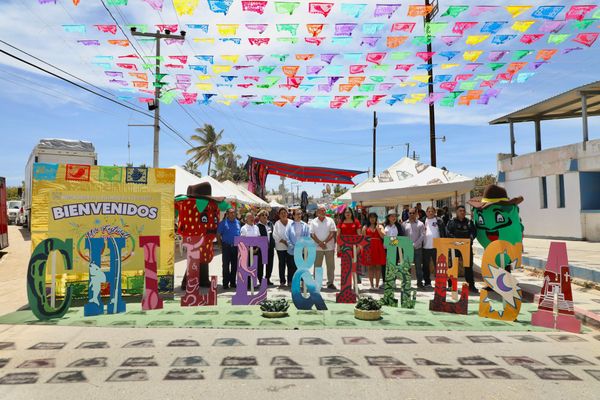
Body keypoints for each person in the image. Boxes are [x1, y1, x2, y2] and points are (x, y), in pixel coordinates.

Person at [446, 205, 478, 292]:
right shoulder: (451, 222)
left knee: (468, 266)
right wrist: (456, 241)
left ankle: (471, 285)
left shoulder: (469, 222)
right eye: (460, 211)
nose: (462, 212)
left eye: (463, 211)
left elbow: (473, 233)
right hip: (454, 247)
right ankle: (451, 285)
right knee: (452, 266)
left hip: (466, 247)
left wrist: (469, 239)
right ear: (456, 212)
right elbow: (448, 232)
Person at [310, 205, 338, 290]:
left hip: (329, 247)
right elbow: (312, 234)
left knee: (330, 266)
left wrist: (325, 242)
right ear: (317, 212)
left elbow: (332, 233)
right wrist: (319, 243)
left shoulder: (330, 220)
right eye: (321, 210)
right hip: (317, 247)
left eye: (324, 210)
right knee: (318, 266)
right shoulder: (313, 221)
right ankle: (317, 283)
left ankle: (330, 283)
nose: (324, 212)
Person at [217, 208, 241, 290]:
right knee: (226, 266)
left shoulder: (238, 223)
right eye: (231, 213)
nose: (233, 214)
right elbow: (218, 234)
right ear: (227, 214)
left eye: (234, 213)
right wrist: (220, 244)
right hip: (226, 246)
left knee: (235, 266)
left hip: (236, 247)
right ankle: (225, 283)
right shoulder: (223, 223)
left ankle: (233, 283)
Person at [422, 206, 446, 288]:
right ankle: (427, 282)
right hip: (425, 247)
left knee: (438, 266)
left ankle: (439, 282)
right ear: (426, 212)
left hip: (437, 247)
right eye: (429, 211)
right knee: (425, 266)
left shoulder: (439, 220)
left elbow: (443, 233)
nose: (430, 213)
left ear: (435, 212)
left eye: (432, 211)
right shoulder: (422, 221)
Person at [402, 208, 426, 288]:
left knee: (418, 267)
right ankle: (406, 283)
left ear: (416, 214)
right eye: (410, 213)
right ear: (408, 214)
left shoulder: (420, 224)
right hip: (407, 249)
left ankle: (420, 283)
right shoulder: (404, 224)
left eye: (413, 213)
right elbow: (403, 236)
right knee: (407, 267)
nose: (411, 214)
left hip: (417, 249)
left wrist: (414, 245)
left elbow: (422, 236)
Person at [361, 212, 386, 289]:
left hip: (378, 248)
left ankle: (377, 285)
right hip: (369, 248)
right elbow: (363, 239)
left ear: (376, 218)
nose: (372, 219)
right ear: (368, 218)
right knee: (370, 267)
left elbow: (384, 237)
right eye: (371, 217)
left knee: (378, 267)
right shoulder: (365, 227)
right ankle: (371, 285)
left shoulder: (380, 226)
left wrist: (378, 229)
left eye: (374, 217)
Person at [286, 208, 310, 286]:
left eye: (300, 214)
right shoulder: (289, 225)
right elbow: (287, 237)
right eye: (297, 214)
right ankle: (291, 282)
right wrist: (292, 246)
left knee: (302, 267)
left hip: (302, 250)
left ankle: (303, 282)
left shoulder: (305, 225)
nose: (299, 216)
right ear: (293, 216)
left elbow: (307, 237)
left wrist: (302, 247)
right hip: (292, 250)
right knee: (291, 267)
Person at [273, 207, 293, 287]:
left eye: (285, 213)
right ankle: (282, 281)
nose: (283, 214)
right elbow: (275, 235)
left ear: (287, 214)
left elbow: (294, 233)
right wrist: (284, 241)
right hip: (280, 247)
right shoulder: (277, 224)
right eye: (282, 213)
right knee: (282, 264)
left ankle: (290, 280)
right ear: (279, 215)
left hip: (290, 247)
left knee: (290, 264)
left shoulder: (291, 222)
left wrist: (289, 242)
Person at [256, 209, 275, 286]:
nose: (264, 216)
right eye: (262, 215)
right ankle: (260, 280)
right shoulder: (257, 226)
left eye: (266, 215)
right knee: (260, 264)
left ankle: (267, 279)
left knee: (269, 264)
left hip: (270, 247)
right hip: (261, 248)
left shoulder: (270, 224)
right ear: (259, 217)